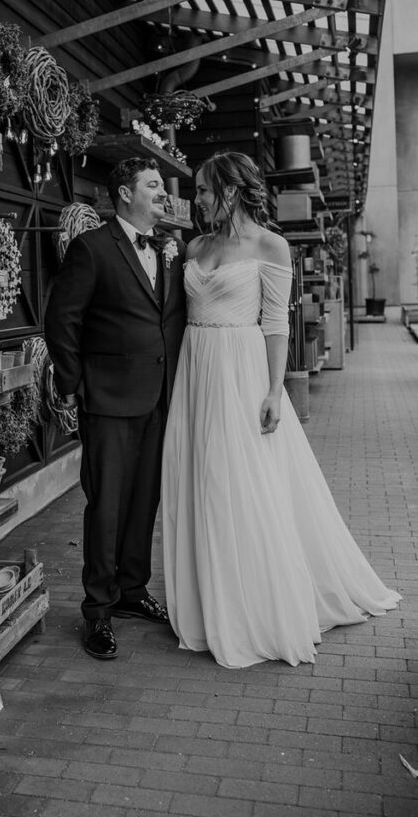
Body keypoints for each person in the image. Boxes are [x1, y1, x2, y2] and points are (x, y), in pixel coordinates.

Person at [161, 151, 400, 668]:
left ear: (230, 189)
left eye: (203, 189)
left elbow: (275, 324)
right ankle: (208, 601)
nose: (196, 199)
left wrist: (275, 390)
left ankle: (251, 605)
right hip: (196, 370)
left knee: (238, 482)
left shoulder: (272, 245)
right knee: (200, 479)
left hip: (240, 371)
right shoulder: (195, 246)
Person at [45, 157, 186, 660]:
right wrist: (72, 385)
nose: (162, 194)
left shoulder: (172, 247)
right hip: (107, 399)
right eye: (153, 185)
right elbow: (61, 320)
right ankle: (98, 611)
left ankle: (132, 590)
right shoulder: (92, 248)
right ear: (125, 194)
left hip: (159, 396)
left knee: (144, 500)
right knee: (106, 506)